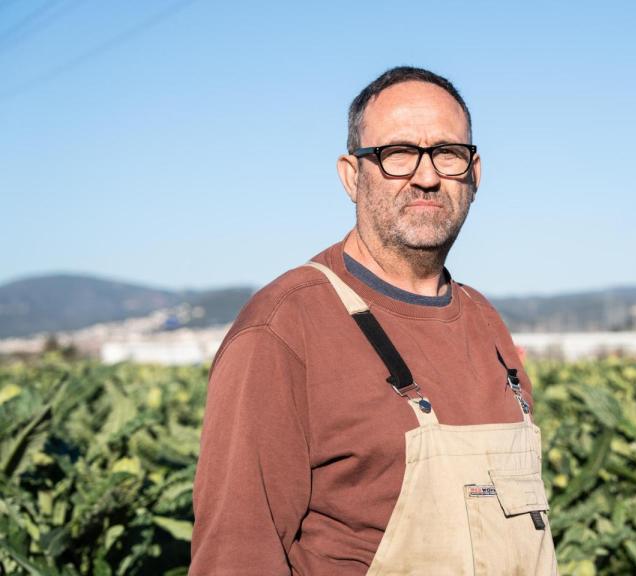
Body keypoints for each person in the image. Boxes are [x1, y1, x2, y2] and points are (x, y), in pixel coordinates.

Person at [189, 66, 557, 575]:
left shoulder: (485, 320)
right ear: (350, 174)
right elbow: (237, 557)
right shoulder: (284, 328)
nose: (426, 176)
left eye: (447, 154)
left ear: (475, 173)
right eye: (397, 154)